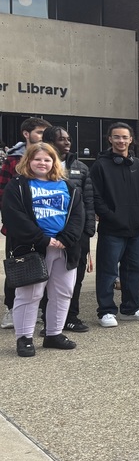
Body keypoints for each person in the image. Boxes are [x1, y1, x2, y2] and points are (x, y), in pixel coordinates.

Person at [2, 142, 85, 357]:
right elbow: (13, 216)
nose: (42, 163)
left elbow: (78, 215)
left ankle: (53, 334)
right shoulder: (18, 186)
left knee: (63, 292)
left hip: (64, 248)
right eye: (37, 159)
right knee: (30, 294)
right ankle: (24, 338)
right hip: (32, 248)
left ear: (54, 162)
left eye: (47, 159)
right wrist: (42, 239)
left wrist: (66, 238)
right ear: (28, 161)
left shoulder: (67, 186)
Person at [90, 122, 139, 327]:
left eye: (125, 137)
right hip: (112, 228)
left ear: (131, 140)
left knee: (134, 270)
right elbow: (96, 196)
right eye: (117, 137)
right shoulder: (100, 165)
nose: (121, 141)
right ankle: (106, 311)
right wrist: (110, 216)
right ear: (109, 139)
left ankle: (131, 307)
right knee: (108, 271)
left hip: (135, 228)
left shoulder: (138, 165)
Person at [40, 125, 96, 333]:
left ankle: (71, 317)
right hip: (49, 235)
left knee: (75, 277)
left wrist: (88, 230)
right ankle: (49, 322)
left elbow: (88, 201)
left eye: (68, 138)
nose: (67, 142)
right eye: (61, 139)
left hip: (76, 234)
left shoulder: (80, 168)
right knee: (46, 279)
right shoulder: (41, 166)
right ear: (49, 142)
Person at [0, 117, 52, 330]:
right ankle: (12, 308)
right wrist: (14, 221)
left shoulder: (50, 157)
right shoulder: (13, 160)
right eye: (39, 132)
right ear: (26, 134)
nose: (42, 137)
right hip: (19, 227)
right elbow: (3, 194)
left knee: (44, 267)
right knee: (18, 266)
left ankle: (38, 309)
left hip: (46, 226)